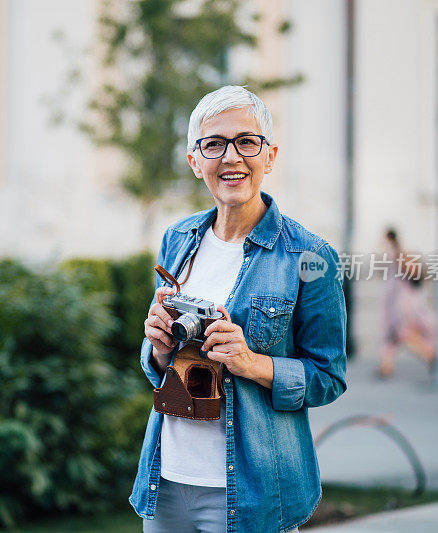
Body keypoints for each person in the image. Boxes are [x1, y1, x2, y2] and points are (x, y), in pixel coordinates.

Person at [129, 85, 348, 533]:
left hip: (252, 492)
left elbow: (329, 378)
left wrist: (251, 363)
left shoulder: (309, 257)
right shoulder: (177, 240)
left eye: (246, 142)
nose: (231, 157)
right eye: (213, 144)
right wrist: (156, 349)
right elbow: (159, 368)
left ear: (269, 156)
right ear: (194, 162)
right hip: (166, 479)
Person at [377, 228, 438, 378]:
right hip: (395, 302)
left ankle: (430, 354)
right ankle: (386, 366)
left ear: (389, 239)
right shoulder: (394, 255)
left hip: (404, 303)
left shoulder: (401, 254)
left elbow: (417, 275)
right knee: (391, 336)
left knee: (402, 333)